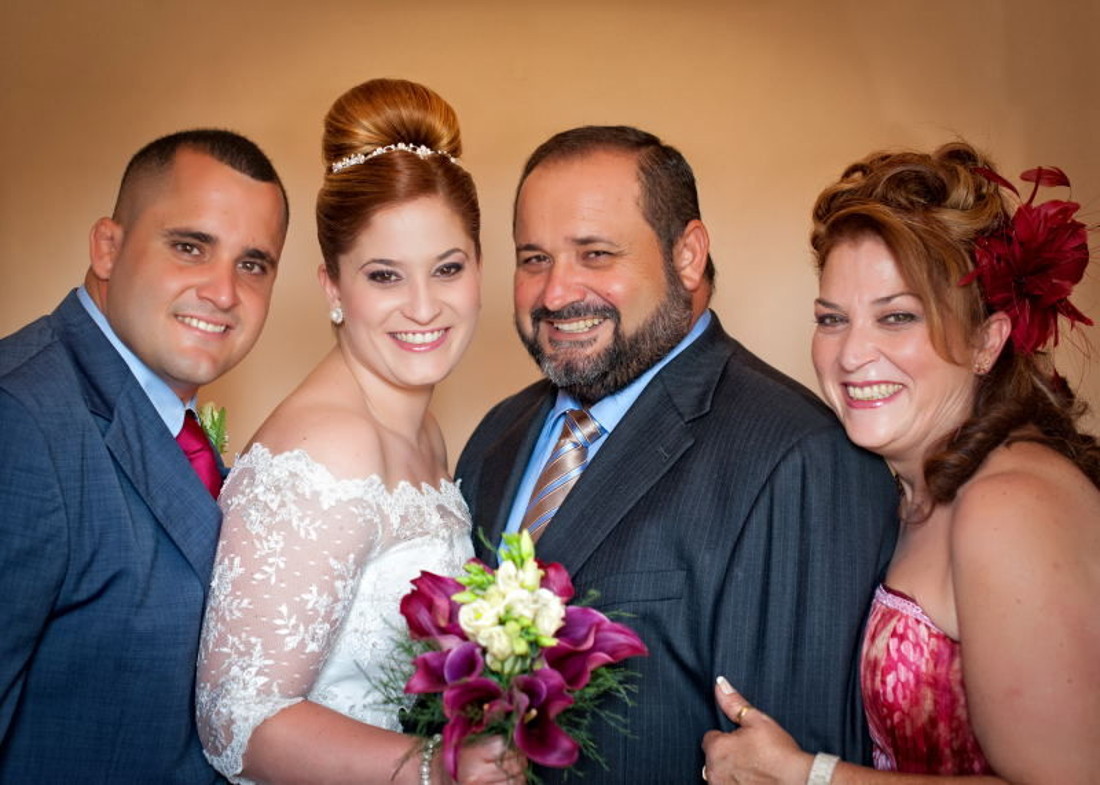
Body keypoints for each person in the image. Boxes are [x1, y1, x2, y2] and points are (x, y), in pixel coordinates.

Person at [455, 125, 899, 783]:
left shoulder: (798, 458)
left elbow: (785, 760)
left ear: (688, 254)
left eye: (595, 254)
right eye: (534, 258)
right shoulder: (497, 435)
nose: (555, 293)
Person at [701, 142, 1100, 784]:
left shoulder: (1010, 503)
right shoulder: (910, 493)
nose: (852, 354)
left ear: (987, 341)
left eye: (897, 317)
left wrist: (806, 776)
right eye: (833, 319)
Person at [196, 79, 522, 785]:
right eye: (384, 276)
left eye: (447, 268)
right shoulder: (328, 446)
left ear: (479, 267)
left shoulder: (423, 431)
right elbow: (238, 719)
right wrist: (438, 769)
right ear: (333, 287)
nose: (424, 307)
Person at [0, 130, 288, 782]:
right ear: (108, 247)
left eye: (252, 264)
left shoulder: (169, 417)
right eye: (190, 247)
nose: (223, 291)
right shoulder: (21, 419)